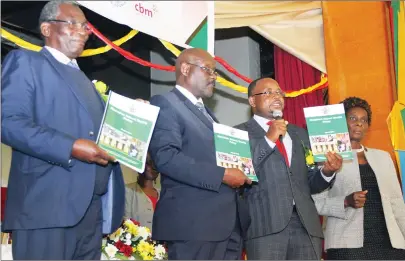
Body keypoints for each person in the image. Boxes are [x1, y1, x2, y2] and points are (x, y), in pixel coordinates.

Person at [1, 1, 128, 259]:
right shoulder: (26, 61)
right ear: (47, 29)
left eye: (85, 26)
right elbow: (8, 122)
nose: (84, 31)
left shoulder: (86, 82)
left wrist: (130, 116)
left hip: (91, 212)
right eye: (74, 24)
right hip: (46, 208)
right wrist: (70, 147)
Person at [148, 48, 252, 260]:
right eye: (208, 70)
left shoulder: (208, 114)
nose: (214, 77)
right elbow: (167, 158)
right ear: (185, 69)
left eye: (215, 73)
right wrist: (222, 175)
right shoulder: (166, 103)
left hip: (225, 226)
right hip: (193, 225)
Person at [235, 77, 343, 260]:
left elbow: (309, 181)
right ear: (252, 100)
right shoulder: (239, 133)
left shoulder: (300, 134)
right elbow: (239, 175)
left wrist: (327, 172)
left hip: (306, 226)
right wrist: (268, 140)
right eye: (268, 92)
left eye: (279, 92)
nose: (276, 96)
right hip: (265, 226)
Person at [312, 97, 405, 260]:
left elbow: (397, 203)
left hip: (390, 244)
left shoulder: (383, 157)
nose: (359, 123)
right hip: (346, 245)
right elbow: (317, 203)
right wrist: (345, 202)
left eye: (364, 120)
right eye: (353, 118)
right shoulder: (327, 158)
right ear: (340, 122)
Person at [125, 154, 160, 231]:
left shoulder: (162, 194)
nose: (152, 168)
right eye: (149, 163)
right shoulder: (128, 190)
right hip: (135, 241)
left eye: (155, 165)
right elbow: (125, 223)